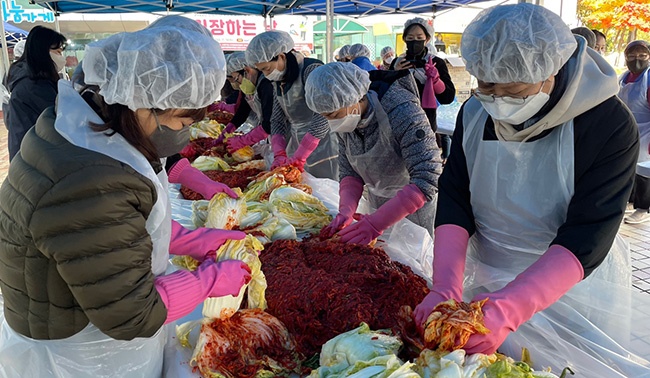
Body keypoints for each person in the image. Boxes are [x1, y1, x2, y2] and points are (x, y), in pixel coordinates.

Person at [0, 16, 251, 377]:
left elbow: (115, 233)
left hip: (81, 319)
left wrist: (190, 239)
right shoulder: (89, 176)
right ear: (143, 104)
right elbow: (131, 313)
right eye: (182, 120)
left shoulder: (88, 128)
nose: (184, 132)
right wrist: (206, 281)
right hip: (78, 354)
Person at [414, 4, 648, 376]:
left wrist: (512, 307)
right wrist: (445, 284)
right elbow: (456, 194)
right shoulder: (475, 113)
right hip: (487, 272)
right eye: (484, 84)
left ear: (549, 70)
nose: (493, 97)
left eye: (511, 89)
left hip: (569, 286)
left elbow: (589, 230)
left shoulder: (608, 124)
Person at [308, 63, 442, 241]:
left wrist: (377, 222)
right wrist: (346, 209)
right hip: (375, 205)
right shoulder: (348, 119)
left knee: (412, 262)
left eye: (332, 115)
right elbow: (348, 169)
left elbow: (428, 175)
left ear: (352, 99)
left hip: (412, 211)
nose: (331, 122)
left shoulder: (402, 110)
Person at [245, 30, 338, 180]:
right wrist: (279, 152)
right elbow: (276, 118)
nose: (266, 75)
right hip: (297, 144)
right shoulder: (278, 80)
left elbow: (323, 115)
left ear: (281, 57)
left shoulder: (312, 71)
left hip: (325, 146)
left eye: (267, 69)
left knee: (328, 191)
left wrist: (302, 154)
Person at [390, 18, 456, 161]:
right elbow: (385, 95)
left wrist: (436, 80)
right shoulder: (398, 62)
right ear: (404, 39)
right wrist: (394, 73)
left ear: (427, 39)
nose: (415, 42)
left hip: (426, 122)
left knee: (423, 162)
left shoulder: (437, 62)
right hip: (399, 122)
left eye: (419, 38)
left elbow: (448, 97)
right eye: (410, 38)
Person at [4, 26, 66, 160]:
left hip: (29, 149)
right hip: (32, 155)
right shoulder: (33, 84)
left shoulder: (29, 77)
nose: (61, 57)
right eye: (57, 51)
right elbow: (58, 116)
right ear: (42, 52)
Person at [619, 40, 650, 224]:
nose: (636, 59)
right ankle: (630, 201)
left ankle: (643, 208)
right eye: (631, 55)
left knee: (644, 172)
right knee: (628, 168)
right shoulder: (623, 78)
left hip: (646, 133)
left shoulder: (648, 78)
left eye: (642, 55)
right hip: (627, 132)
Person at [224, 53, 275, 153]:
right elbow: (243, 110)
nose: (236, 84)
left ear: (247, 71)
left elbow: (269, 123)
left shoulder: (266, 84)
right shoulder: (250, 84)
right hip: (271, 136)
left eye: (235, 79)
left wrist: (243, 141)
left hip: (286, 136)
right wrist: (227, 130)